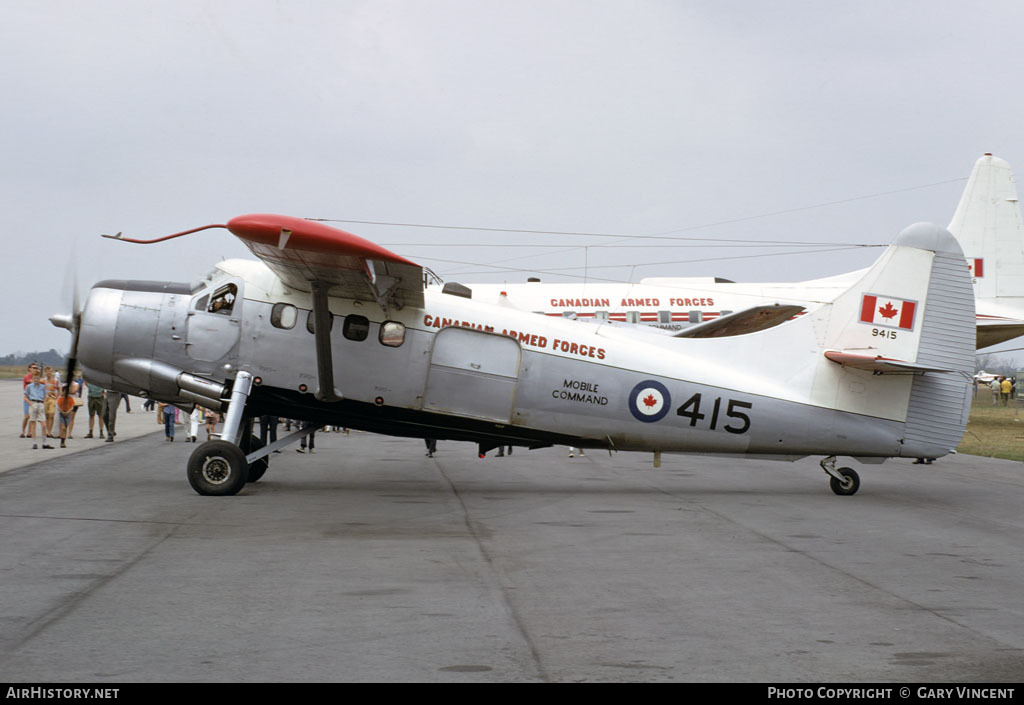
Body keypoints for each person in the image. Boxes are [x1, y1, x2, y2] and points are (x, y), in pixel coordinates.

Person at [24, 371, 50, 449]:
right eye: (34, 378)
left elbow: (45, 396)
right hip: (33, 403)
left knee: (44, 424)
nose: (36, 379)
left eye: (37, 378)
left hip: (40, 403)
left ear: (40, 379)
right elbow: (25, 397)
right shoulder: (29, 386)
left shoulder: (43, 386)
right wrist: (31, 404)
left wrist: (44, 403)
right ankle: (34, 443)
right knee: (33, 423)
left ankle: (44, 443)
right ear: (32, 379)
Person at [55, 381, 78, 449]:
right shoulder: (60, 398)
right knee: (63, 427)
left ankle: (63, 441)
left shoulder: (70, 399)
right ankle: (62, 441)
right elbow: (58, 406)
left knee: (65, 428)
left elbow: (72, 407)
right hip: (62, 414)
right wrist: (62, 412)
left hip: (68, 414)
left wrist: (68, 412)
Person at [20, 362, 40, 438]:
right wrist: (38, 378)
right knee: (27, 416)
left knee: (32, 416)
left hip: (34, 399)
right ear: (29, 369)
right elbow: (31, 382)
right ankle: (23, 431)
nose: (35, 369)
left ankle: (29, 432)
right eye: (34, 368)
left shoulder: (37, 377)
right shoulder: (27, 377)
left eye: (36, 368)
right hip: (27, 399)